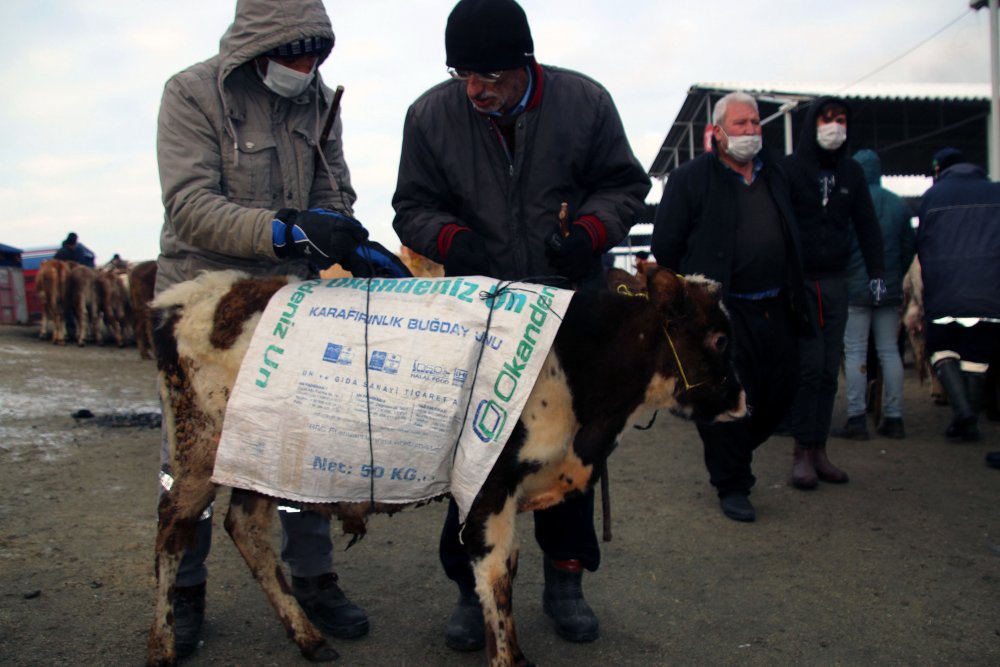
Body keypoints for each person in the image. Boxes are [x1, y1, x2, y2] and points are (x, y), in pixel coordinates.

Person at [392, 0, 649, 650]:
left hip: (568, 313)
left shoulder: (584, 102)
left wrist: (589, 233)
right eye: (462, 73)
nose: (474, 88)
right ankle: (472, 588)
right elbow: (411, 205)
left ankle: (566, 582)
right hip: (480, 315)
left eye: (490, 75)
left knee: (566, 452)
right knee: (474, 458)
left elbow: (624, 184)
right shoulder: (430, 115)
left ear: (524, 63)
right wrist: (452, 239)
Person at [153, 0, 405, 657]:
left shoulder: (319, 98)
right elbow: (189, 207)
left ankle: (315, 578)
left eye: (317, 51)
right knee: (195, 455)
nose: (307, 65)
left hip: (288, 305)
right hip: (207, 307)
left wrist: (341, 231)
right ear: (259, 44)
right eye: (295, 51)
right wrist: (283, 228)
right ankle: (184, 590)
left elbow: (333, 190)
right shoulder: (191, 94)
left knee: (302, 437)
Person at [652, 91, 811, 522]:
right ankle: (732, 483)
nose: (750, 132)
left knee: (781, 391)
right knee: (725, 397)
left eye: (756, 123)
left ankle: (738, 452)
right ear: (717, 132)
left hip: (774, 305)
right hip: (721, 312)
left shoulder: (776, 173)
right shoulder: (690, 179)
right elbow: (666, 243)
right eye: (740, 124)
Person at [780, 96, 885, 489]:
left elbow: (867, 225)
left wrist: (877, 270)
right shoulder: (790, 170)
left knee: (828, 370)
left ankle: (819, 449)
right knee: (808, 368)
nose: (834, 126)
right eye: (827, 118)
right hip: (801, 283)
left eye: (841, 120)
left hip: (837, 282)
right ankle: (800, 453)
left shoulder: (853, 173)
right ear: (813, 124)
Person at [917, 147, 1000, 446]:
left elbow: (922, 243)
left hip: (946, 290)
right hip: (990, 293)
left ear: (939, 170)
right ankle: (968, 421)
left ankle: (964, 412)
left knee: (941, 349)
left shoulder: (933, 197)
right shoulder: (996, 192)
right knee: (976, 356)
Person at [830, 149, 915, 440]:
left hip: (855, 289)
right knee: (890, 351)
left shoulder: (848, 203)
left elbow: (837, 247)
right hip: (888, 288)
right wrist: (894, 278)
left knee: (854, 351)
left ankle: (856, 418)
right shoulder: (898, 204)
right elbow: (908, 249)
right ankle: (894, 418)